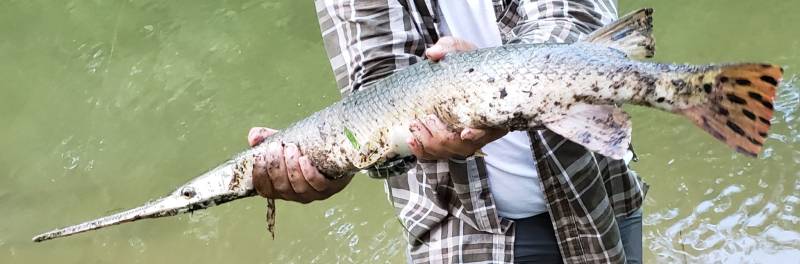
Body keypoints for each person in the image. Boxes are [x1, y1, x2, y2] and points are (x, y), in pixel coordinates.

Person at [248, 0, 647, 263]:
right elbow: (376, 93)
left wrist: (484, 80)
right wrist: (332, 166)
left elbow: (572, 19)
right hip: (460, 231)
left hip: (595, 191)